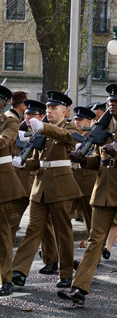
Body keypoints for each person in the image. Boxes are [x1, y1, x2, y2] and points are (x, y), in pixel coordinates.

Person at [58, 83, 117, 307]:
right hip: (104, 189)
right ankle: (79, 289)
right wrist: (82, 160)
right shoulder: (102, 125)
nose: (112, 103)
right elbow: (98, 161)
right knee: (94, 240)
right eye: (110, 100)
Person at [12, 90, 82, 289]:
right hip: (40, 186)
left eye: (53, 108)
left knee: (63, 232)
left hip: (61, 187)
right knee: (33, 229)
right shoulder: (42, 130)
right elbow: (37, 161)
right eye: (48, 107)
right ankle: (19, 271)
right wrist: (23, 164)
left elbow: (68, 137)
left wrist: (43, 127)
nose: (49, 110)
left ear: (65, 111)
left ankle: (66, 272)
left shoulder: (68, 127)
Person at [10, 99, 59, 275]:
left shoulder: (46, 132)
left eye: (33, 114)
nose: (29, 117)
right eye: (27, 114)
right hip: (22, 185)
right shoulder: (19, 130)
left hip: (35, 183)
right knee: (30, 225)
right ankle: (15, 267)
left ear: (41, 117)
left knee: (40, 225)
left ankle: (52, 260)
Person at [0, 84, 27, 296]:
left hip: (3, 184)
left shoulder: (10, 120)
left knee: (3, 235)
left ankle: (6, 279)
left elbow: (5, 141)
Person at [71, 106, 99, 236]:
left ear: (89, 122)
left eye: (80, 120)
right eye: (76, 119)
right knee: (62, 216)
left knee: (91, 220)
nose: (77, 122)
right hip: (70, 181)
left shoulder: (94, 137)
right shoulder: (71, 136)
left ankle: (93, 249)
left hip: (88, 182)